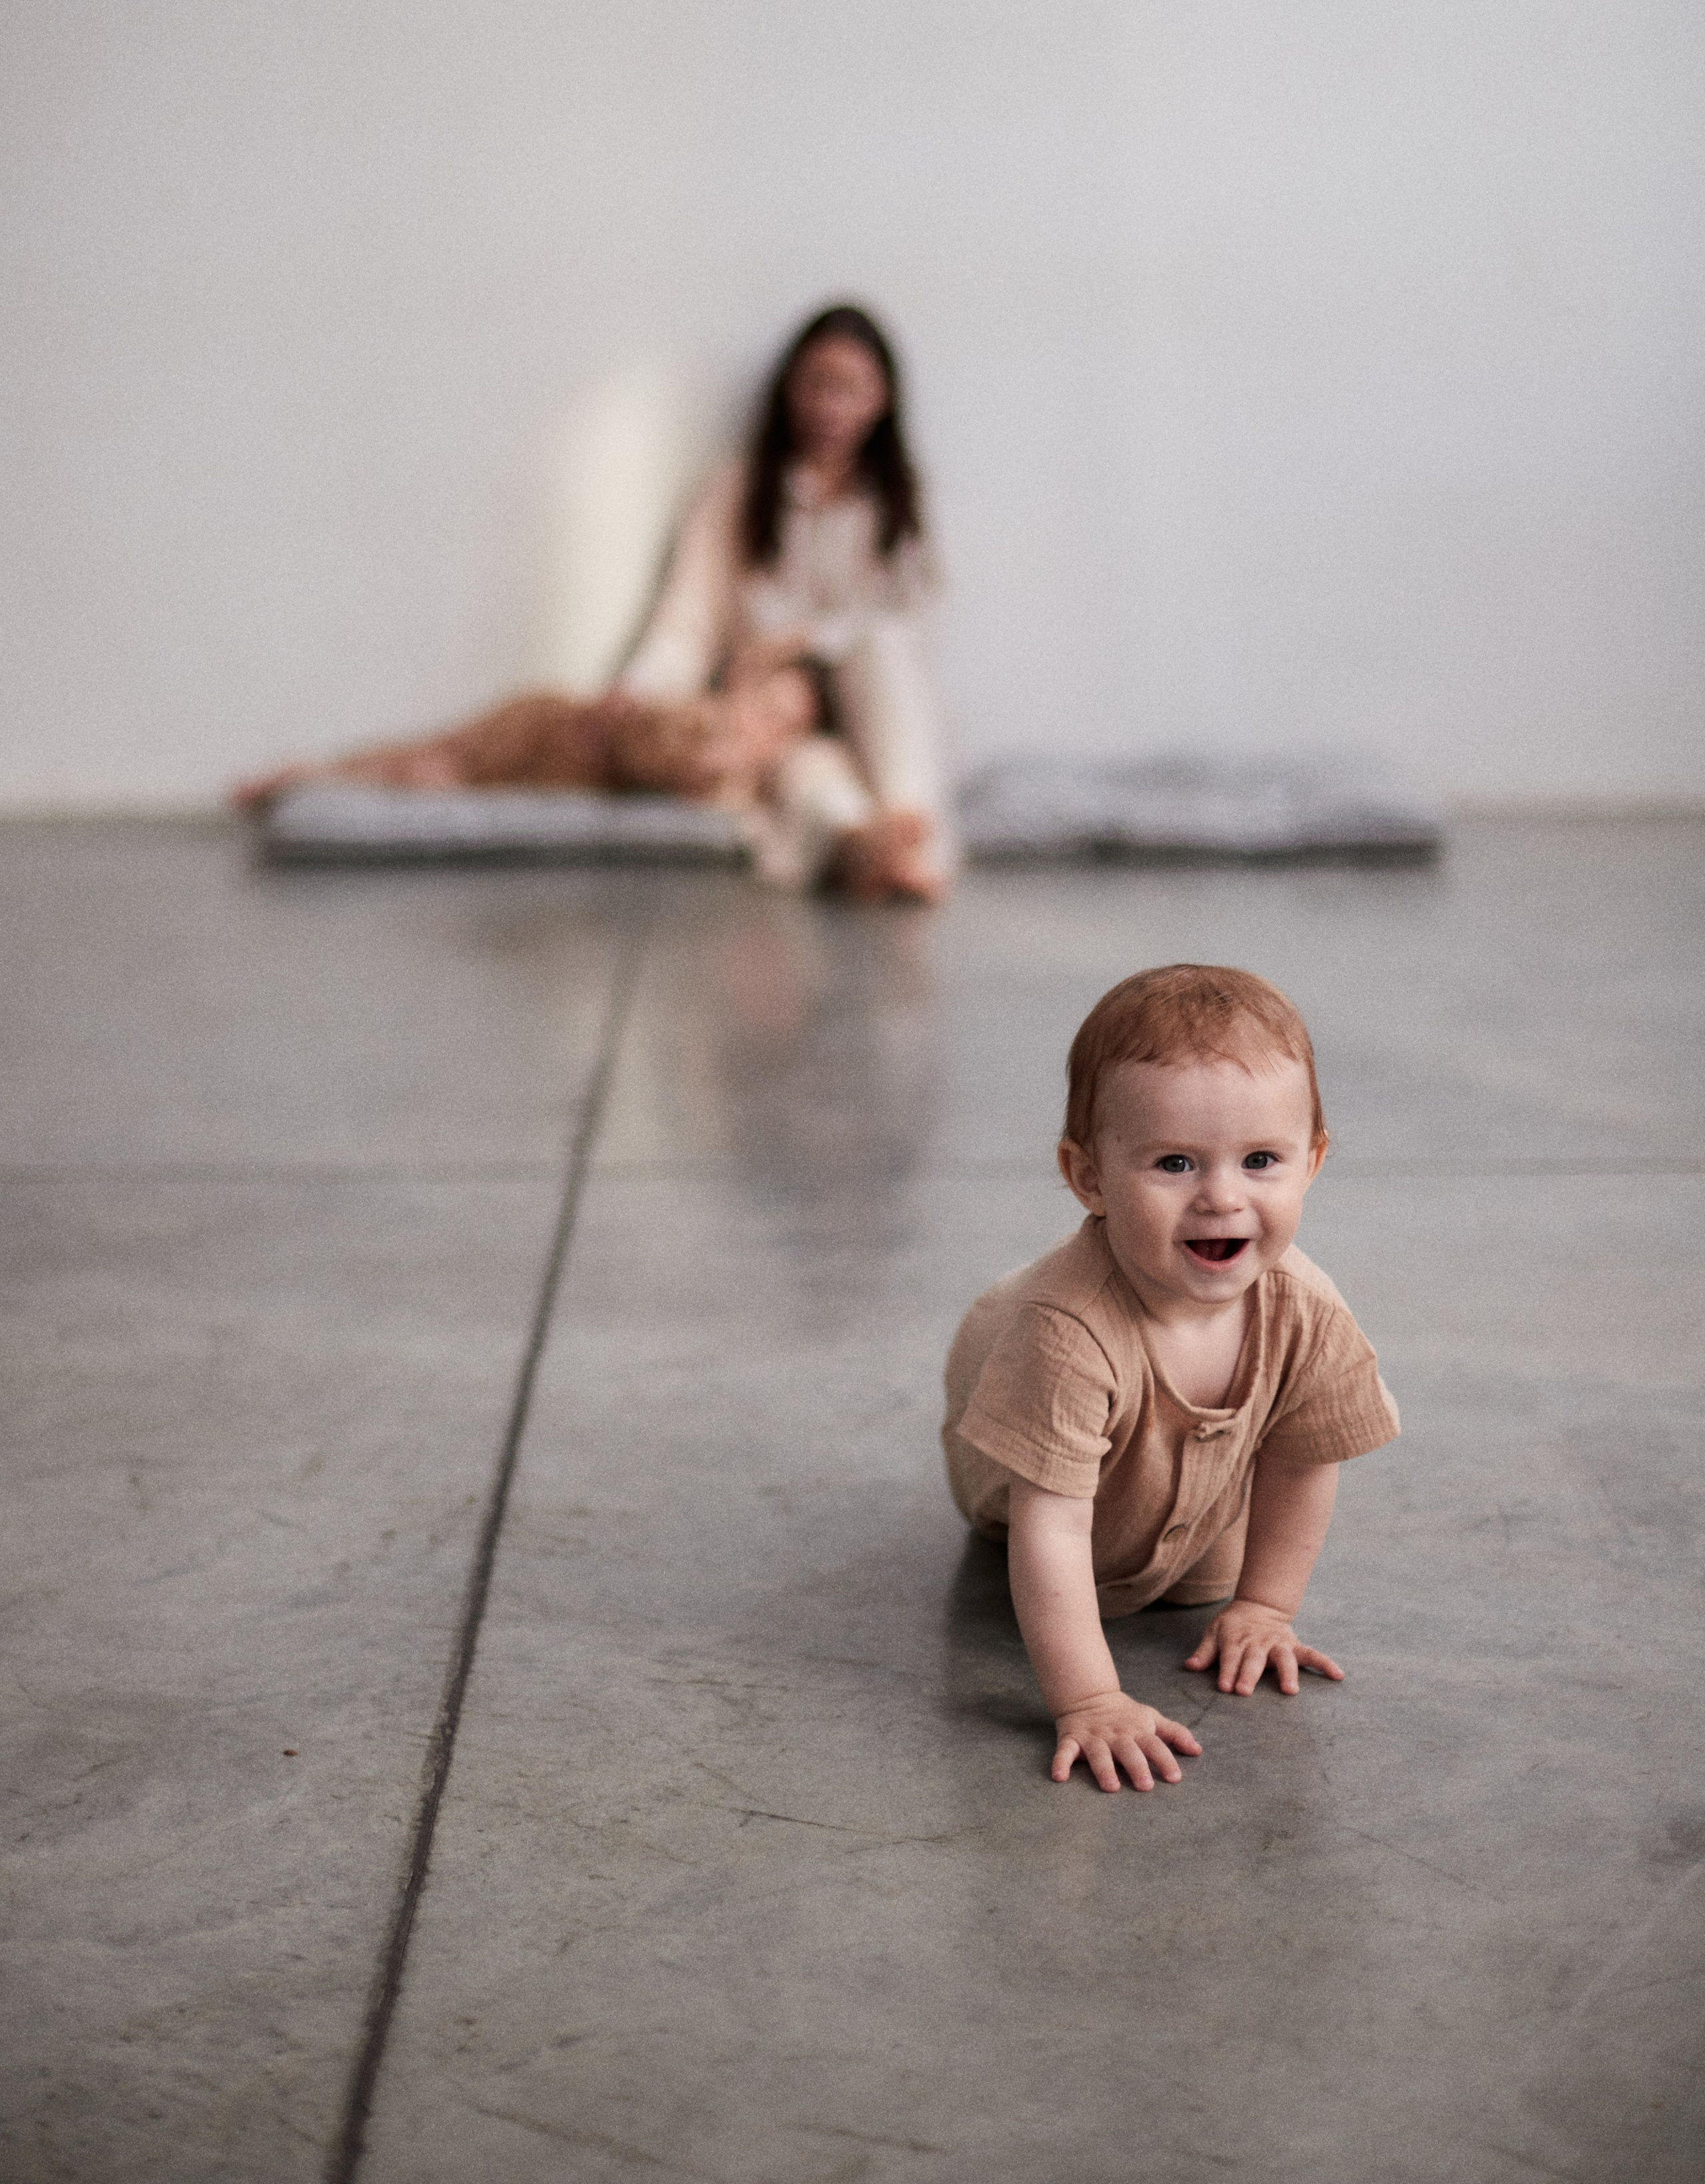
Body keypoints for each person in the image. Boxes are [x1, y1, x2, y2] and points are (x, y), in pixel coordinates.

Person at [234, 304, 953, 904]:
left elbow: (908, 637)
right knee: (810, 782)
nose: (830, 407)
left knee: (880, 652)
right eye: (815, 385)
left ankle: (904, 822)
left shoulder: (898, 506)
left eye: (850, 388)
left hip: (867, 717)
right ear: (787, 392)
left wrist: (799, 655)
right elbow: (687, 622)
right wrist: (642, 692)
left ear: (882, 398)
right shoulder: (739, 492)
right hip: (764, 721)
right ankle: (874, 848)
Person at [942, 963, 1400, 1792]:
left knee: (1206, 1586)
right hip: (1031, 1462)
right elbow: (1049, 1526)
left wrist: (1264, 1607)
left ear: (1313, 1162)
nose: (1222, 1197)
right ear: (1089, 1179)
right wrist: (1089, 1698)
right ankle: (996, 1333)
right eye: (1175, 1164)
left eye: (1261, 1160)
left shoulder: (1305, 1307)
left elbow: (1301, 1460)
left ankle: (1185, 1527)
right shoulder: (1065, 1332)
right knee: (1044, 1525)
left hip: (1193, 1479)